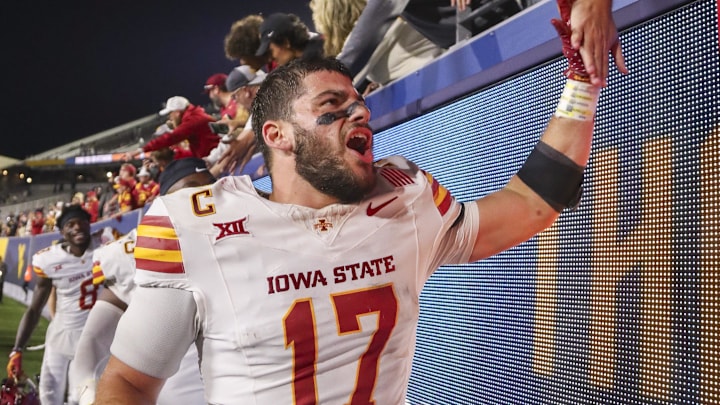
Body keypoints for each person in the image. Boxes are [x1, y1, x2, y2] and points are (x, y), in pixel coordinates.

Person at [96, 0, 627, 402]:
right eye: (333, 105)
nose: (359, 114)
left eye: (358, 104)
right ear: (277, 135)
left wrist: (583, 82)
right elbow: (130, 380)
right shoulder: (200, 224)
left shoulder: (405, 199)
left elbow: (532, 202)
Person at [70, 158, 214, 405]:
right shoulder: (135, 251)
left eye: (212, 189)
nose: (206, 199)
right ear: (164, 204)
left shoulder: (247, 237)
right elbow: (93, 340)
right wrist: (88, 395)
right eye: (191, 191)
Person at [7, 205, 101, 405]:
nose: (77, 227)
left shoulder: (105, 245)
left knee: (82, 398)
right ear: (62, 232)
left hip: (92, 338)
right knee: (49, 394)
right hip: (61, 335)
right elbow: (34, 309)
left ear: (90, 224)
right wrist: (17, 348)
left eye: (81, 222)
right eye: (70, 224)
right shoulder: (49, 260)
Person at [206, 65, 266, 177]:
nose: (236, 101)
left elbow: (240, 144)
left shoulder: (264, 104)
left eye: (235, 96)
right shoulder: (274, 90)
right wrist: (239, 123)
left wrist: (208, 178)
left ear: (246, 91)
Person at [129, 96, 219, 160]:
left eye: (170, 113)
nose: (169, 117)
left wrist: (141, 150)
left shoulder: (193, 120)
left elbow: (171, 137)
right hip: (214, 154)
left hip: (216, 157)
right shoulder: (195, 116)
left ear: (177, 112)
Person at [254, 13, 324, 67]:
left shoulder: (315, 62)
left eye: (271, 51)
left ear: (285, 42)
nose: (270, 59)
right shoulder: (316, 49)